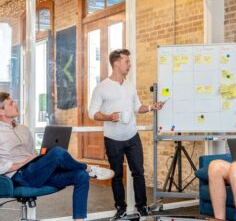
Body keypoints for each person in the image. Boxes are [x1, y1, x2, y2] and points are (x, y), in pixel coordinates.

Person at [0, 92, 114, 221]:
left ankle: (79, 219)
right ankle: (88, 168)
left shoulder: (24, 129)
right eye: (11, 103)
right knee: (58, 153)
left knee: (81, 176)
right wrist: (22, 163)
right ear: (1, 112)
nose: (15, 104)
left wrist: (39, 157)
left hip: (35, 170)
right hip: (20, 175)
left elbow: (31, 153)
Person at [89, 48, 164, 219]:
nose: (129, 65)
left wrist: (152, 107)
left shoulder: (130, 86)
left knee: (138, 172)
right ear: (116, 63)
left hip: (132, 136)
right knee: (116, 175)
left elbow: (137, 107)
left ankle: (141, 207)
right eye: (126, 61)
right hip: (113, 139)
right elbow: (92, 113)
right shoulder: (102, 87)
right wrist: (109, 116)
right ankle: (121, 208)